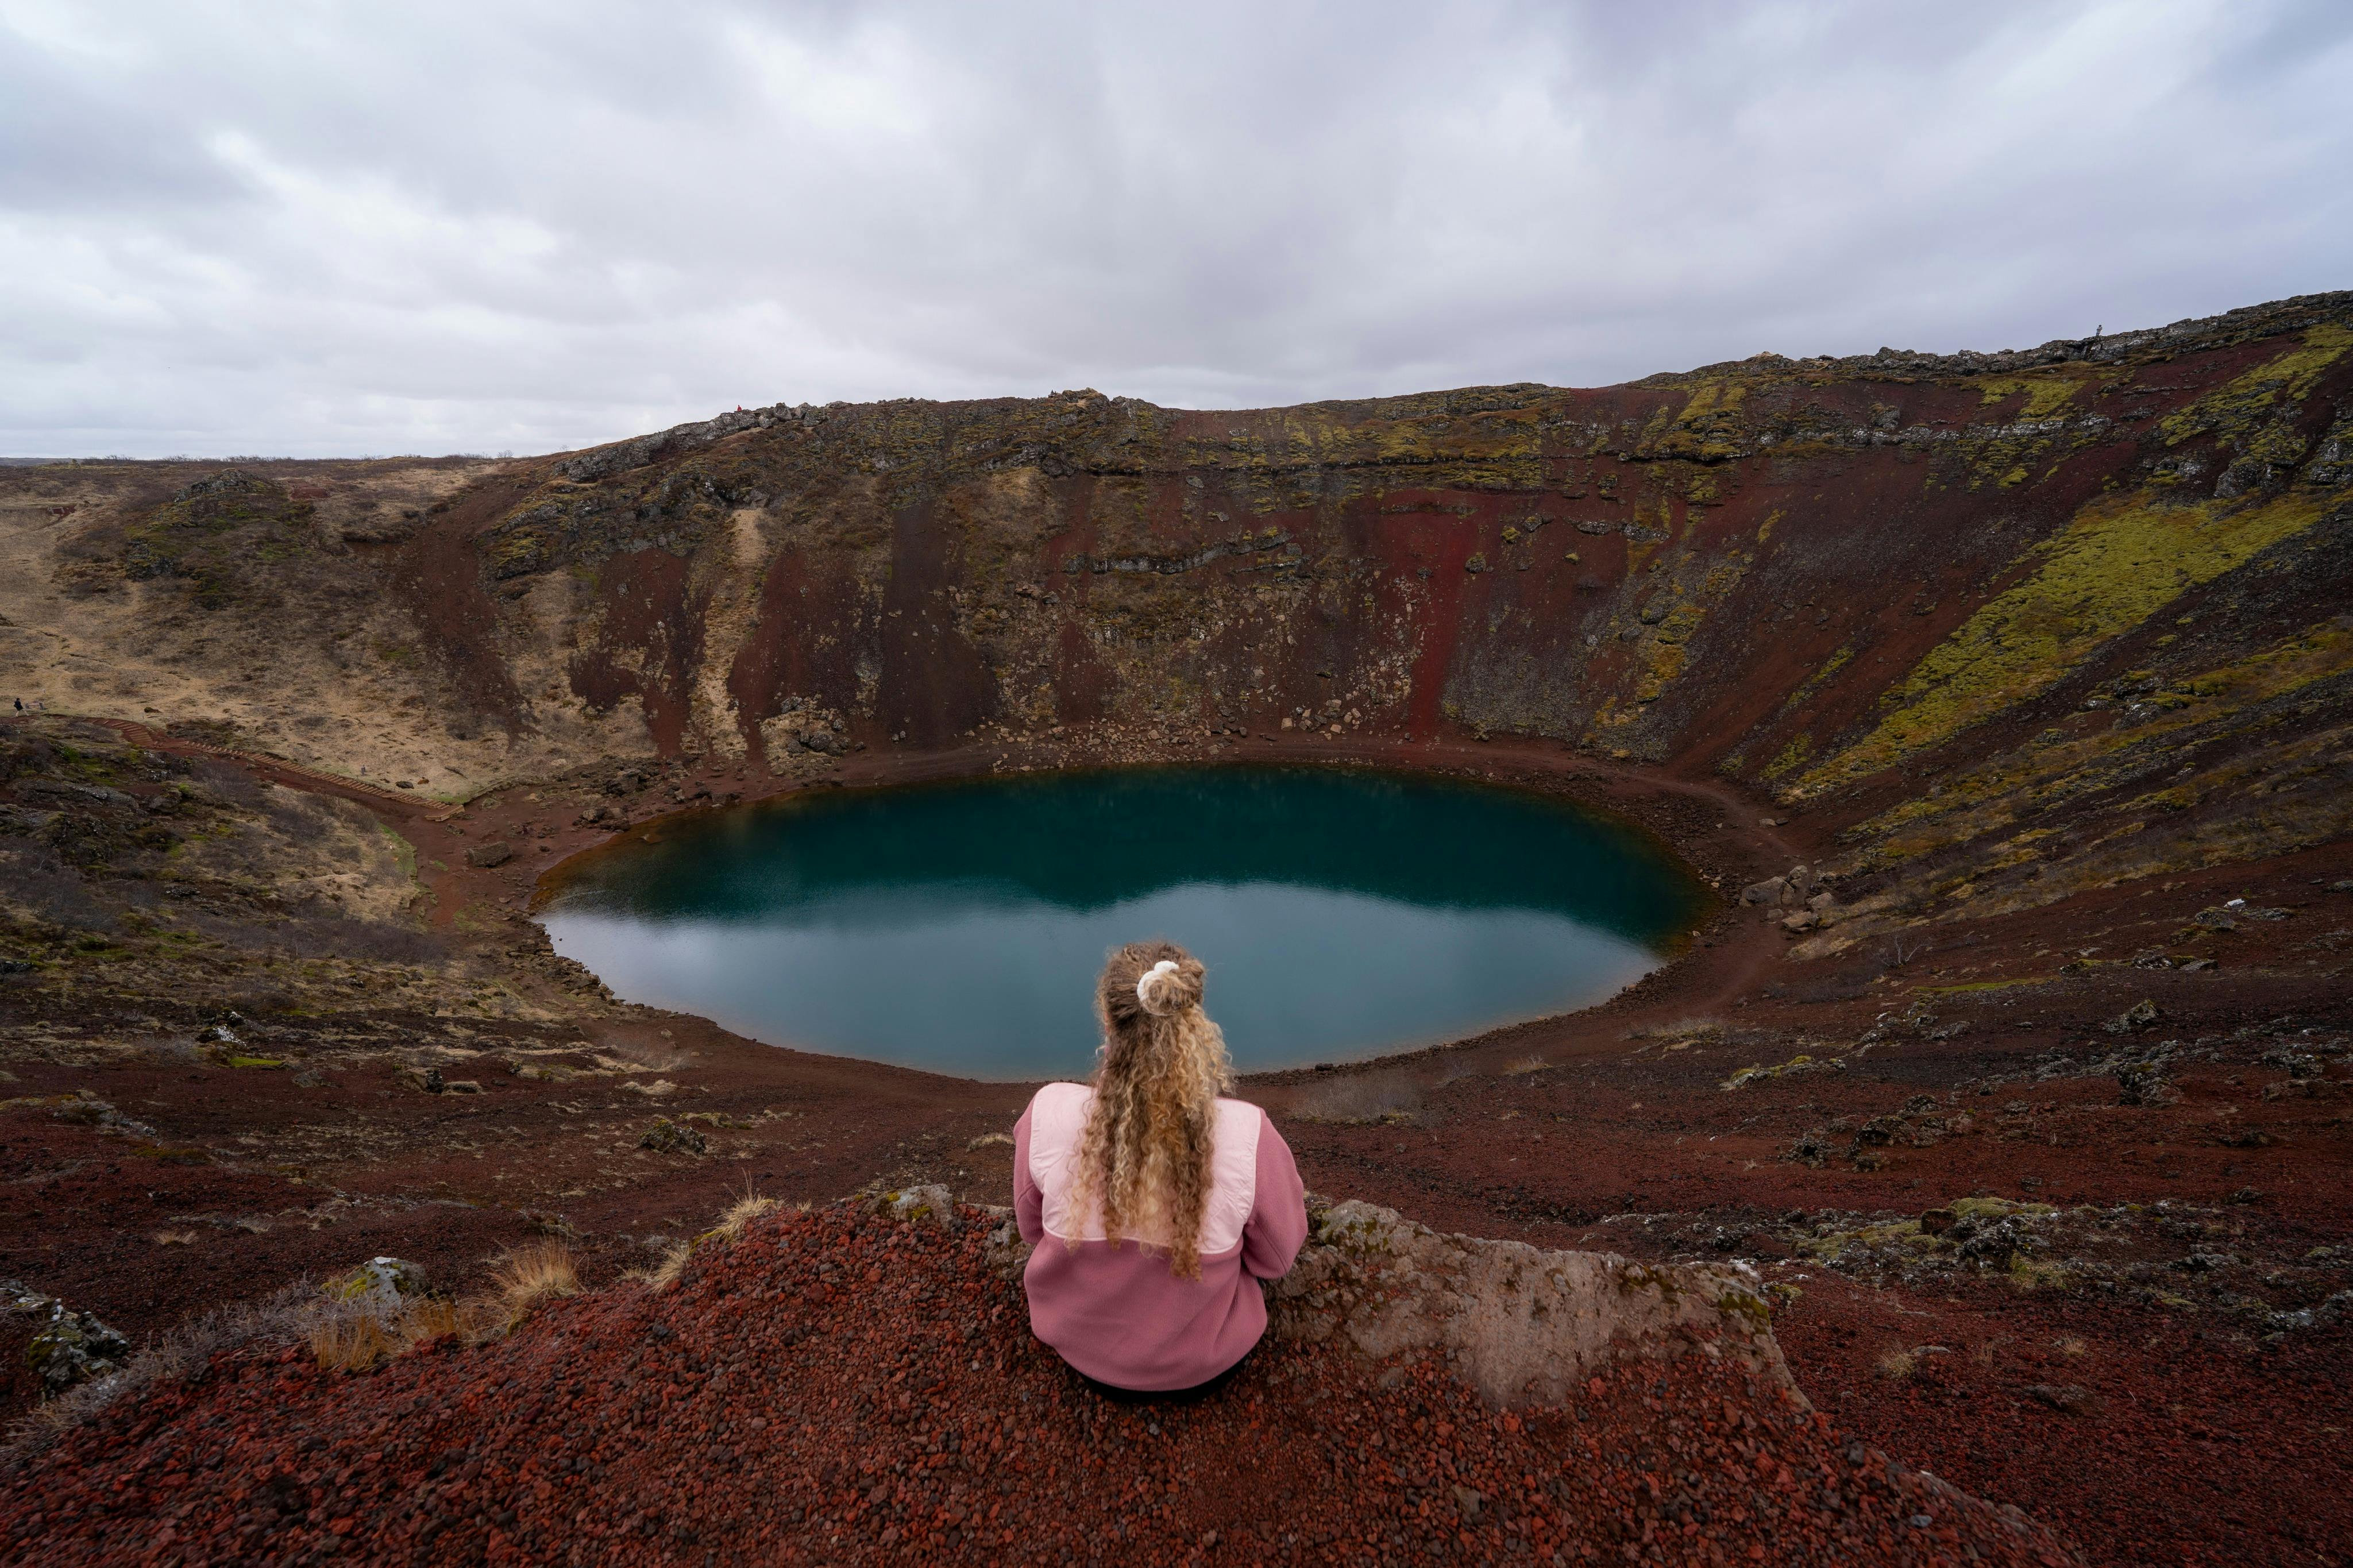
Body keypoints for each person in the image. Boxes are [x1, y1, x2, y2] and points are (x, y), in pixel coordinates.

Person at [1013, 941, 1307, 1396]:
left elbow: (1032, 1230)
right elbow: (1276, 1260)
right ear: (1192, 1021)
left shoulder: (1047, 1112)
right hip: (1204, 1369)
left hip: (1080, 1355)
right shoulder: (1249, 1135)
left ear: (1108, 1019)